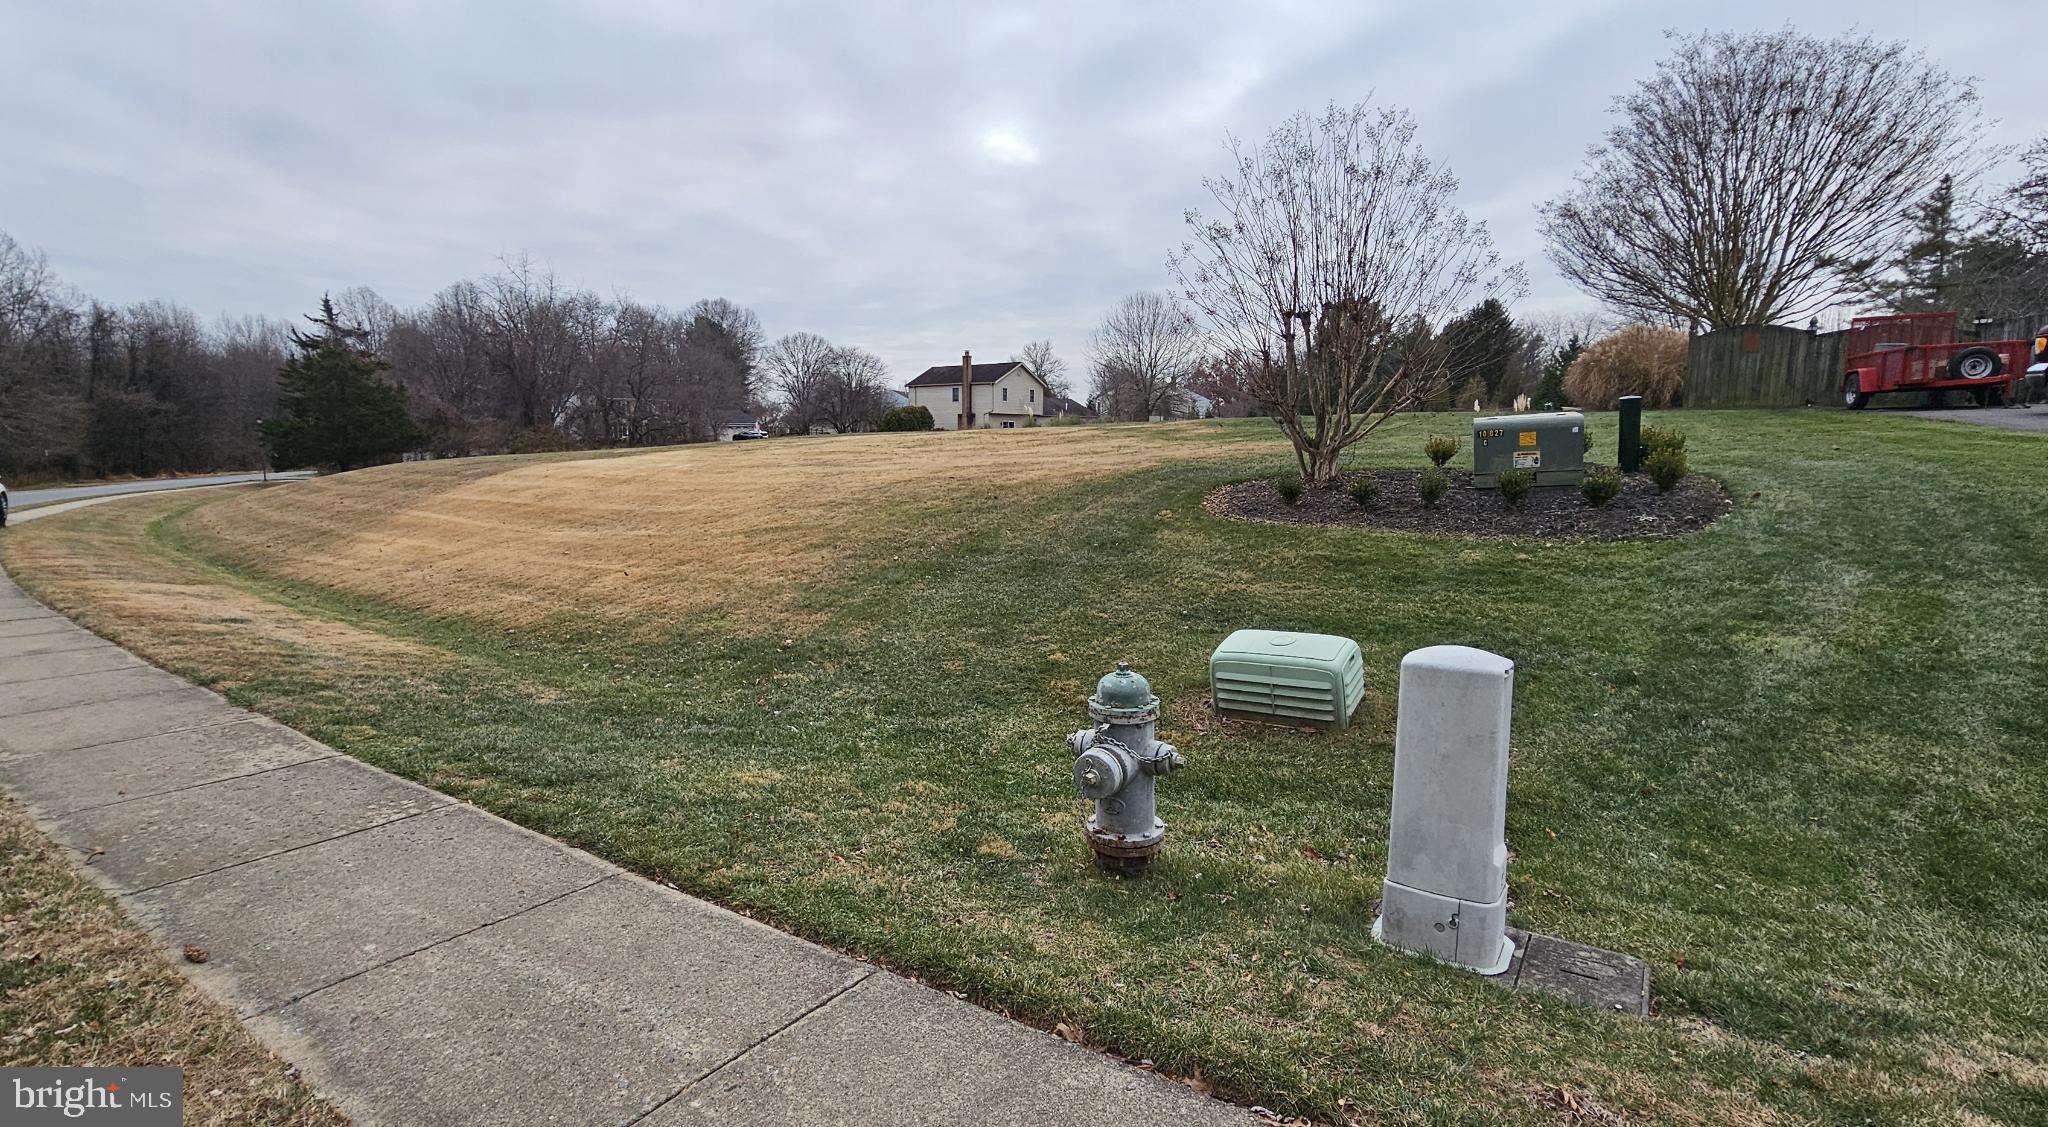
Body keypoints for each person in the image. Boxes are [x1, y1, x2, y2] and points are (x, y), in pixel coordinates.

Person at [2019, 326, 2048, 408]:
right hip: (2030, 360)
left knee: (2028, 382)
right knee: (2026, 382)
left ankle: (2025, 401)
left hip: (2034, 360)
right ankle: (2024, 401)